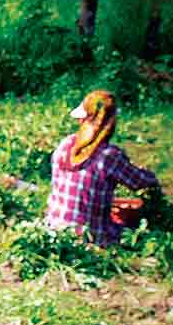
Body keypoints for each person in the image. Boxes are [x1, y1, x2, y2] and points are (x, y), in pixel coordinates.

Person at [43, 89, 162, 246]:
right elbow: (141, 182)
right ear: (109, 123)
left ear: (82, 120)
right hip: (91, 237)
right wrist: (149, 174)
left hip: (53, 230)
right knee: (134, 229)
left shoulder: (65, 144)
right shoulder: (108, 155)